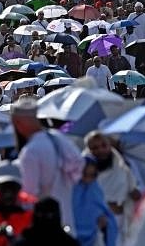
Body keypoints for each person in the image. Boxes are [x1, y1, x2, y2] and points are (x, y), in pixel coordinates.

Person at [10, 96, 84, 233]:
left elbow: (28, 195)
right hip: (68, 221)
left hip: (45, 229)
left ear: (18, 123)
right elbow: (80, 167)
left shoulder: (30, 151)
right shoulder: (58, 137)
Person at [72, 158, 117, 246]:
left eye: (93, 175)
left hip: (95, 239)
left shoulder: (96, 190)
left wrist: (105, 223)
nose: (88, 179)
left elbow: (108, 216)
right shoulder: (70, 189)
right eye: (84, 174)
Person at [13, 198, 79, 246]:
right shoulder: (24, 241)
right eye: (40, 214)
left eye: (49, 215)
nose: (45, 218)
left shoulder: (69, 243)